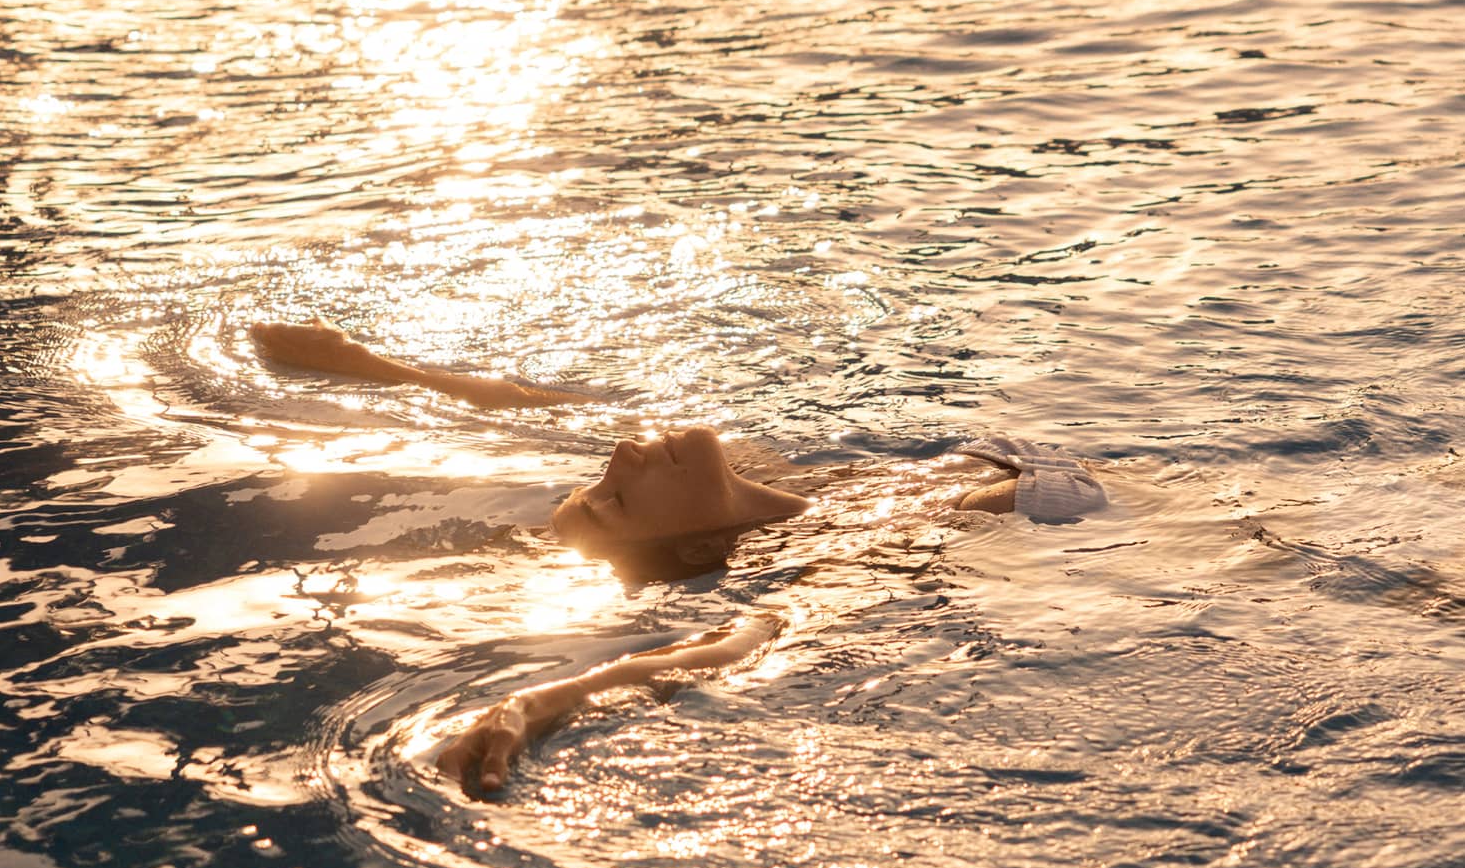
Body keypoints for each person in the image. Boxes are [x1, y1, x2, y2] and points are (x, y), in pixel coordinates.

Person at [252, 318, 1109, 794]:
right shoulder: (848, 548)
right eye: (615, 500)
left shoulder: (775, 475)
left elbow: (531, 406)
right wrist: (543, 699)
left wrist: (370, 365)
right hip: (1163, 531)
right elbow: (740, 643)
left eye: (599, 484)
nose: (621, 458)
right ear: (698, 545)